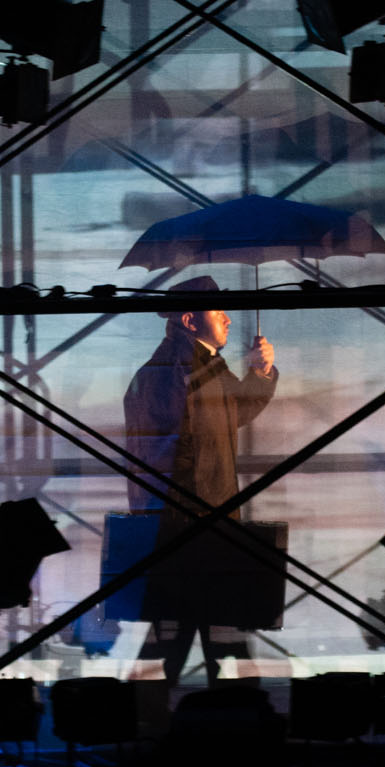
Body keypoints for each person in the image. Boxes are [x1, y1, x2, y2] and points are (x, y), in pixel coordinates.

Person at [122, 277, 278, 684]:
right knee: (212, 646)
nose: (227, 319)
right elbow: (185, 454)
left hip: (189, 532)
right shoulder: (180, 372)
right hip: (196, 534)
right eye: (217, 310)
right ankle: (220, 713)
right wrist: (212, 530)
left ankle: (155, 715)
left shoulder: (196, 365)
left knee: (175, 647)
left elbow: (231, 414)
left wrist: (260, 373)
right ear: (190, 321)